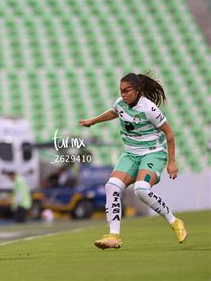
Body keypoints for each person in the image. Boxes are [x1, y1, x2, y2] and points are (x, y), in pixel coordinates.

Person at [79, 72, 186, 249]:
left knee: (141, 190)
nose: (123, 94)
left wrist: (172, 162)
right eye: (121, 91)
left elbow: (169, 133)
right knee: (111, 186)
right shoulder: (121, 103)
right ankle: (114, 236)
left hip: (153, 154)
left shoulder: (149, 109)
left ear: (137, 90)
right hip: (131, 154)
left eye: (126, 91)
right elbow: (114, 112)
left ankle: (175, 222)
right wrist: (94, 121)